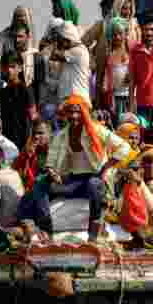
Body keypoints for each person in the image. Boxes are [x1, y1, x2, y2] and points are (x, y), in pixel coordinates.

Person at [18, 95, 131, 239]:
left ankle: (95, 226)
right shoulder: (61, 135)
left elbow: (124, 147)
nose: (73, 116)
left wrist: (106, 168)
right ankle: (45, 227)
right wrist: (52, 172)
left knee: (93, 184)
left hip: (96, 178)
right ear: (65, 114)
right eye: (70, 112)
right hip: (73, 180)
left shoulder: (97, 130)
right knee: (40, 182)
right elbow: (51, 162)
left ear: (84, 113)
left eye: (77, 112)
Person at [83, 0, 141, 77]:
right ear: (117, 7)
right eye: (124, 8)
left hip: (128, 76)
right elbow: (83, 44)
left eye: (130, 8)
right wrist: (91, 60)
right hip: (104, 73)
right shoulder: (103, 25)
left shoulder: (134, 27)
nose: (128, 12)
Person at [0, 52, 37, 150]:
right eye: (6, 67)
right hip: (7, 142)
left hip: (23, 142)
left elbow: (33, 118)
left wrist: (30, 142)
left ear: (20, 68)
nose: (9, 70)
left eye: (12, 67)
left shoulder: (26, 90)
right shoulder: (3, 92)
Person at [95, 17, 132, 121]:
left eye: (120, 33)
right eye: (114, 34)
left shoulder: (132, 53)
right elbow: (99, 81)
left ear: (126, 33)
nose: (117, 37)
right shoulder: (106, 55)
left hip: (131, 99)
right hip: (113, 101)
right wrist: (97, 107)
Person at [51, 22, 92, 104]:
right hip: (72, 98)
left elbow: (54, 55)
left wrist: (55, 42)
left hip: (77, 99)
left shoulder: (78, 51)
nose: (61, 43)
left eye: (61, 40)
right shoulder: (73, 51)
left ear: (67, 39)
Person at [12, 118, 51, 190]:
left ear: (49, 134)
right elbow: (14, 169)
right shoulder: (29, 148)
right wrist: (25, 157)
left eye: (40, 133)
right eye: (34, 133)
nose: (36, 136)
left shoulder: (56, 149)